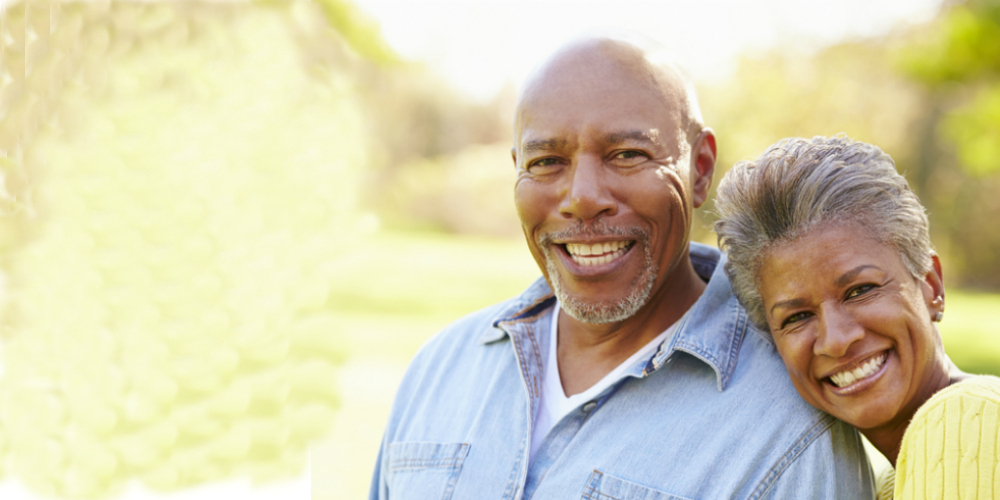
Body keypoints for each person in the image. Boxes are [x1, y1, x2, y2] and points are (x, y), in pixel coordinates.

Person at [369, 38, 874, 499]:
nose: (583, 199)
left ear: (699, 170)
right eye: (546, 161)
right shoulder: (440, 367)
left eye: (627, 154)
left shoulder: (793, 432)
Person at [714, 135, 1000, 499]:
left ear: (931, 286)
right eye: (797, 317)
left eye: (860, 290)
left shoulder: (965, 421)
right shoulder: (896, 480)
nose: (836, 339)